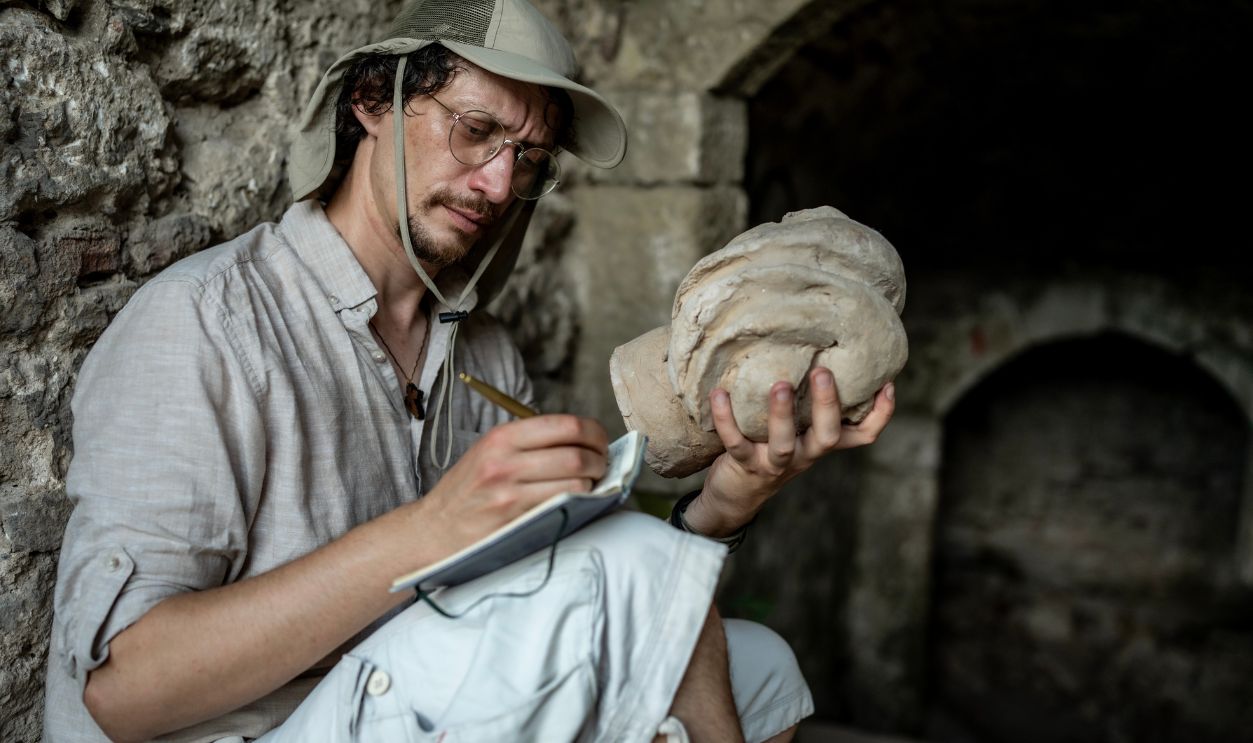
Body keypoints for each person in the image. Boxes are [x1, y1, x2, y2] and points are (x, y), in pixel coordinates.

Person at [43, 1, 895, 741]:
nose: (497, 183)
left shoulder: (485, 354)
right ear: (373, 102)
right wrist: (427, 531)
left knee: (762, 669)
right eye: (476, 130)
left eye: (528, 159)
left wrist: (726, 500)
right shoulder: (204, 322)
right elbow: (121, 695)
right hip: (253, 731)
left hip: (422, 702)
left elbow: (558, 600)